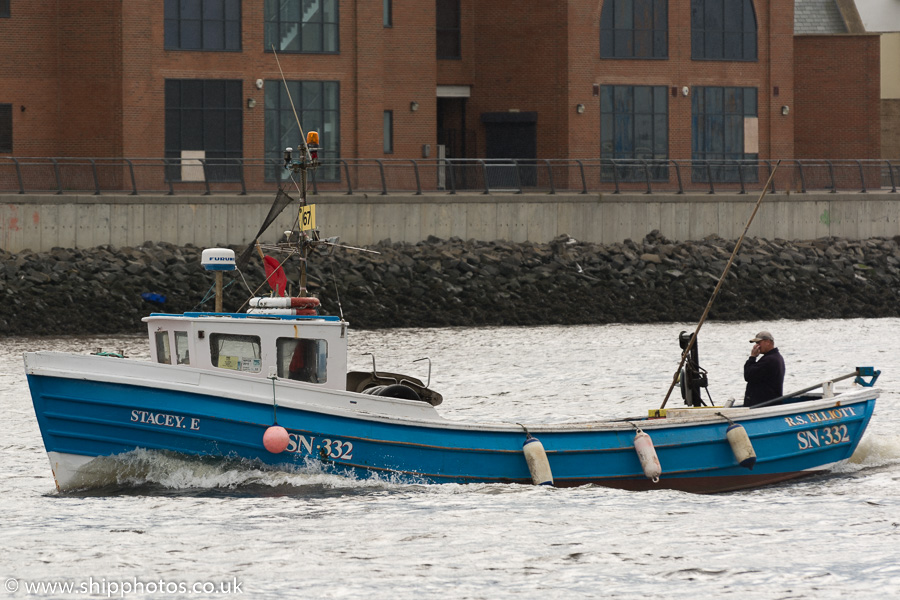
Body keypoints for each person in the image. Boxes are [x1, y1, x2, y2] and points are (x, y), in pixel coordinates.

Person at [743, 330, 785, 407]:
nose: (756, 346)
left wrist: (752, 357)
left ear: (768, 342)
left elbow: (748, 375)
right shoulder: (776, 357)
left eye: (759, 343)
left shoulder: (769, 360)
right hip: (768, 403)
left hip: (764, 406)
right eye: (756, 343)